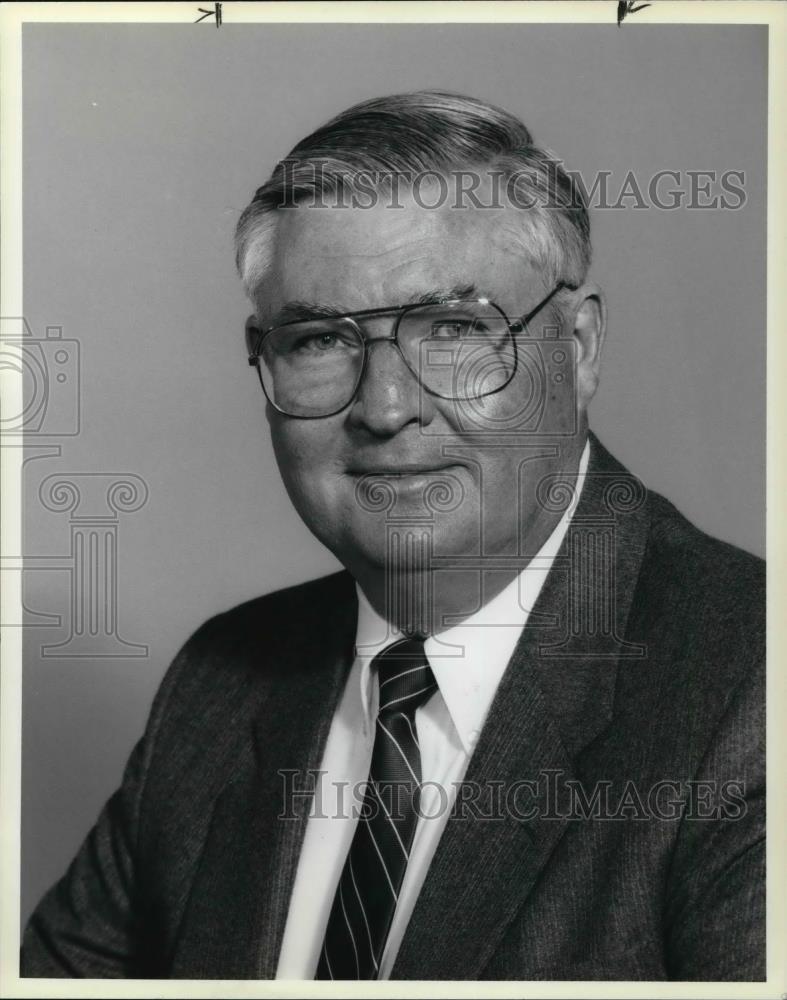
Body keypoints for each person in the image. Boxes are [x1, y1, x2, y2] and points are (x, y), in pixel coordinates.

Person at [21, 90, 764, 981]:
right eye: (319, 340)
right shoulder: (223, 683)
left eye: (453, 329)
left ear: (579, 345)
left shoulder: (751, 693)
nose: (384, 408)